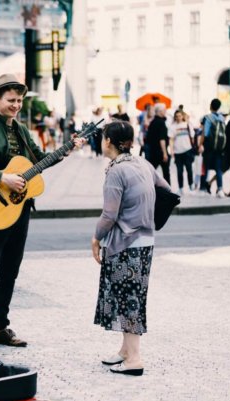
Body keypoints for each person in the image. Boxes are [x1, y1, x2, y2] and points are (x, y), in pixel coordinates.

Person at [0, 73, 82, 349]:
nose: (16, 105)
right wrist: (1, 178)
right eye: (10, 100)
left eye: (19, 100)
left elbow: (40, 161)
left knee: (11, 270)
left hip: (20, 209)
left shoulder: (21, 129)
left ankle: (1, 326)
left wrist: (66, 149)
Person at [91, 120, 172, 377]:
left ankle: (135, 358)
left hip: (126, 243)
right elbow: (167, 191)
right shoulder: (143, 163)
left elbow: (109, 214)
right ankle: (126, 351)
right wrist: (147, 215)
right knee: (133, 295)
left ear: (108, 142)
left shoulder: (116, 171)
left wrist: (96, 238)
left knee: (128, 299)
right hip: (146, 241)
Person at [198, 98, 227, 197]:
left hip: (209, 147)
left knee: (205, 168)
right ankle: (220, 189)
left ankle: (203, 189)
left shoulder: (208, 118)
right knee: (218, 169)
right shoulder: (222, 118)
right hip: (219, 148)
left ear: (210, 106)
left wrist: (200, 144)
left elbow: (204, 134)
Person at [169, 109, 195, 195]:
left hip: (187, 150)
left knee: (189, 169)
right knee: (179, 171)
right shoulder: (172, 127)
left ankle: (191, 186)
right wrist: (172, 150)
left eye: (179, 116)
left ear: (182, 116)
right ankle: (181, 188)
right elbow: (171, 140)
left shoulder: (187, 124)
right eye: (176, 116)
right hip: (177, 152)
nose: (178, 118)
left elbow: (192, 136)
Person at [145, 103, 171, 184]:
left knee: (151, 171)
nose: (165, 111)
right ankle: (168, 192)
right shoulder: (161, 123)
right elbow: (162, 139)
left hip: (153, 151)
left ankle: (148, 186)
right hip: (160, 151)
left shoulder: (152, 122)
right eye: (164, 110)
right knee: (166, 173)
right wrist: (165, 153)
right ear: (160, 111)